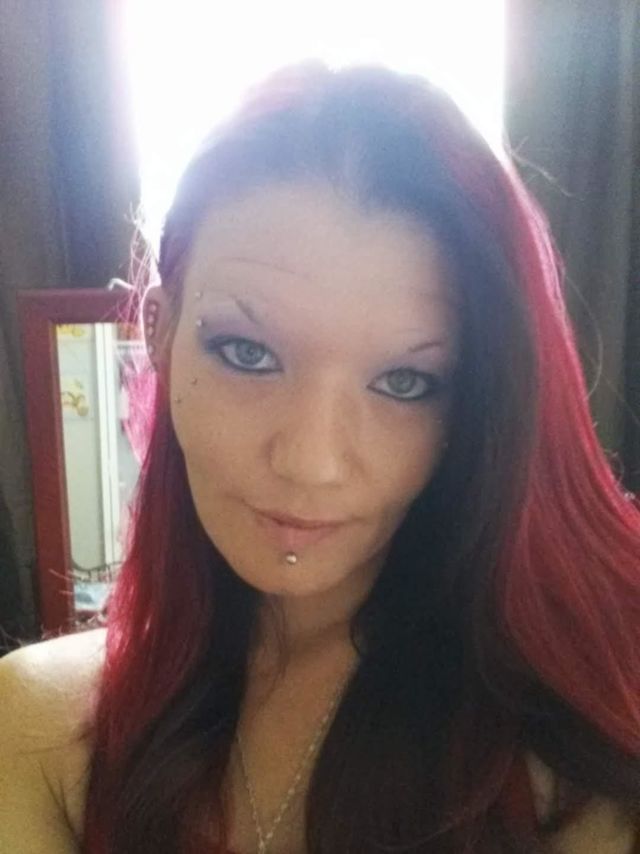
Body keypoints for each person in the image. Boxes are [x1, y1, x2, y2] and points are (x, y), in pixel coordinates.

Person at [1, 60, 639, 854]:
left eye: (404, 382)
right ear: (158, 332)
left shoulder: (579, 754)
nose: (311, 462)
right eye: (247, 352)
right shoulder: (44, 731)